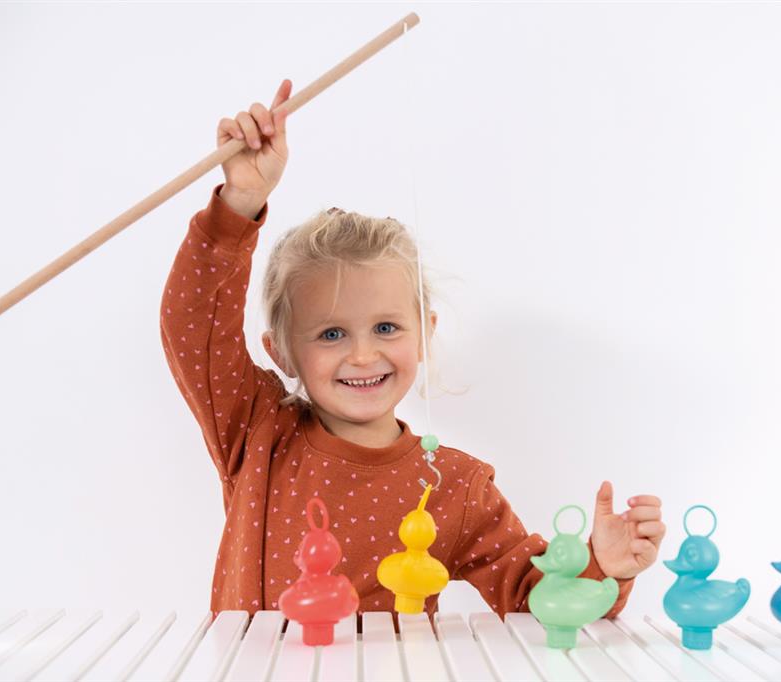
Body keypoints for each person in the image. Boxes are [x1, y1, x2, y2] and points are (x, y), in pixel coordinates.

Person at [160, 79, 666, 616]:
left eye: (386, 328)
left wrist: (602, 567)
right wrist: (240, 201)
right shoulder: (256, 430)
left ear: (424, 332)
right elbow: (192, 325)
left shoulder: (456, 485)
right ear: (281, 352)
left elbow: (532, 597)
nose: (362, 355)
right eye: (331, 334)